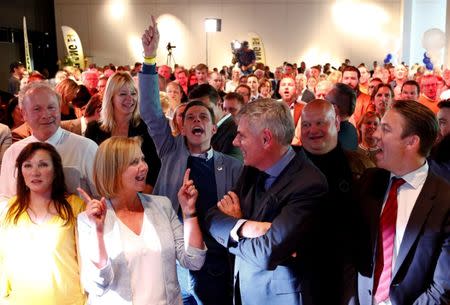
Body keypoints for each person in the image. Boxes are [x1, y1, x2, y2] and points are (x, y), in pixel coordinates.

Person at [140, 17, 242, 305]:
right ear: (181, 127)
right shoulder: (170, 150)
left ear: (213, 128)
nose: (196, 120)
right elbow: (149, 110)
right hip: (175, 256)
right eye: (190, 118)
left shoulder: (233, 166)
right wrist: (149, 59)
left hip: (218, 259)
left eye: (203, 118)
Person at [206, 98, 328, 305]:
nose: (235, 142)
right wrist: (245, 226)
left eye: (241, 136)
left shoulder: (310, 183)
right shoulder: (251, 169)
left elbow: (267, 253)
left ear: (266, 139)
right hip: (245, 291)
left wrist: (234, 228)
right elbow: (212, 218)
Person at [77, 136, 206, 305]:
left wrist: (189, 213)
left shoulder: (162, 206)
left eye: (143, 159)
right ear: (113, 169)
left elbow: (194, 260)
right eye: (134, 162)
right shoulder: (89, 219)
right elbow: (98, 285)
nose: (144, 167)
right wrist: (98, 232)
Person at [352, 100, 450, 305]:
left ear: (411, 142)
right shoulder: (369, 181)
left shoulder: (445, 200)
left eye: (385, 129)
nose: (375, 134)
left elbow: (443, 288)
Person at [300, 99, 374, 305]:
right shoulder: (288, 166)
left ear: (337, 124)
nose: (312, 130)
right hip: (298, 273)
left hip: (347, 271)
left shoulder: (361, 166)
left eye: (320, 123)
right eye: (306, 124)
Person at [0, 142, 86, 305]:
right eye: (28, 166)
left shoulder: (76, 207)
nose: (35, 172)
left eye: (43, 165)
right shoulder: (9, 209)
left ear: (55, 171)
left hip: (69, 300)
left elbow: (89, 261)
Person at [0, 82, 98, 199]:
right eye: (37, 109)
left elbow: (103, 199)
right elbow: (5, 199)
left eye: (51, 107)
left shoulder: (86, 148)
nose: (46, 115)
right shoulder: (13, 152)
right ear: (23, 113)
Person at [85, 71, 161, 194]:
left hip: (139, 195)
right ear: (111, 97)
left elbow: (154, 165)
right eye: (123, 94)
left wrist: (143, 197)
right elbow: (90, 167)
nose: (130, 99)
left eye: (133, 93)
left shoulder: (145, 127)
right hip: (103, 194)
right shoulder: (94, 129)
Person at [326, 83, 358, 151]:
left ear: (334, 108)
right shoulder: (352, 130)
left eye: (325, 101)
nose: (321, 105)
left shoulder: (330, 137)